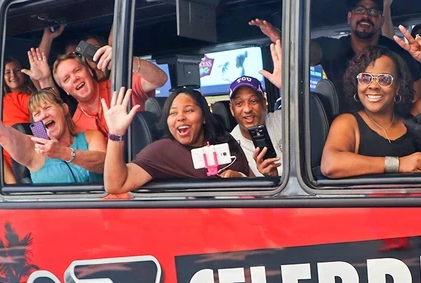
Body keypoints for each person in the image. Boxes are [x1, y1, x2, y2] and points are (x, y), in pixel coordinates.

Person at [320, 26, 421, 178]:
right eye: (365, 78)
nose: (373, 86)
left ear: (398, 87)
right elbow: (330, 164)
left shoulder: (416, 116)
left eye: (384, 79)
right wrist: (399, 164)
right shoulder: (348, 123)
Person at [250, 0, 421, 113]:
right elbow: (307, 53)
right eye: (360, 10)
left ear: (381, 20)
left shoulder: (397, 51)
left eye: (373, 12)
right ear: (350, 17)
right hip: (345, 131)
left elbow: (416, 97)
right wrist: (279, 38)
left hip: (390, 129)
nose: (366, 15)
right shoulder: (334, 47)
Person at [0, 56, 106, 185]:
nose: (43, 115)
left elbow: (106, 165)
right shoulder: (32, 148)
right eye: (37, 113)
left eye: (47, 108)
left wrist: (64, 153)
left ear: (64, 109)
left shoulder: (91, 137)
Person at [102, 86, 251, 192]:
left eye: (189, 110)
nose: (180, 117)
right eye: (173, 113)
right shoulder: (162, 151)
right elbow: (116, 185)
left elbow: (254, 182)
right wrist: (116, 134)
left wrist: (239, 178)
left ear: (204, 117)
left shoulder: (225, 140)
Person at [26, 40, 167, 136]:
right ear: (65, 90)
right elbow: (46, 135)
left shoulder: (119, 85)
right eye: (66, 79)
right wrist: (43, 80)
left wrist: (124, 59)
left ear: (90, 71)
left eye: (77, 70)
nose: (74, 78)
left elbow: (161, 79)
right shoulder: (75, 123)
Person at [229, 41, 284, 177]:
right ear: (232, 110)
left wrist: (286, 86)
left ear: (264, 103)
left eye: (253, 101)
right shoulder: (231, 146)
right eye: (239, 103)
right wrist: (270, 177)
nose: (247, 109)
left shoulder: (282, 119)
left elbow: (309, 115)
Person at [2, 57, 36, 125]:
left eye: (17, 70)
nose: (13, 75)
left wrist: (39, 132)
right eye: (8, 72)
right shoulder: (4, 101)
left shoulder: (36, 94)